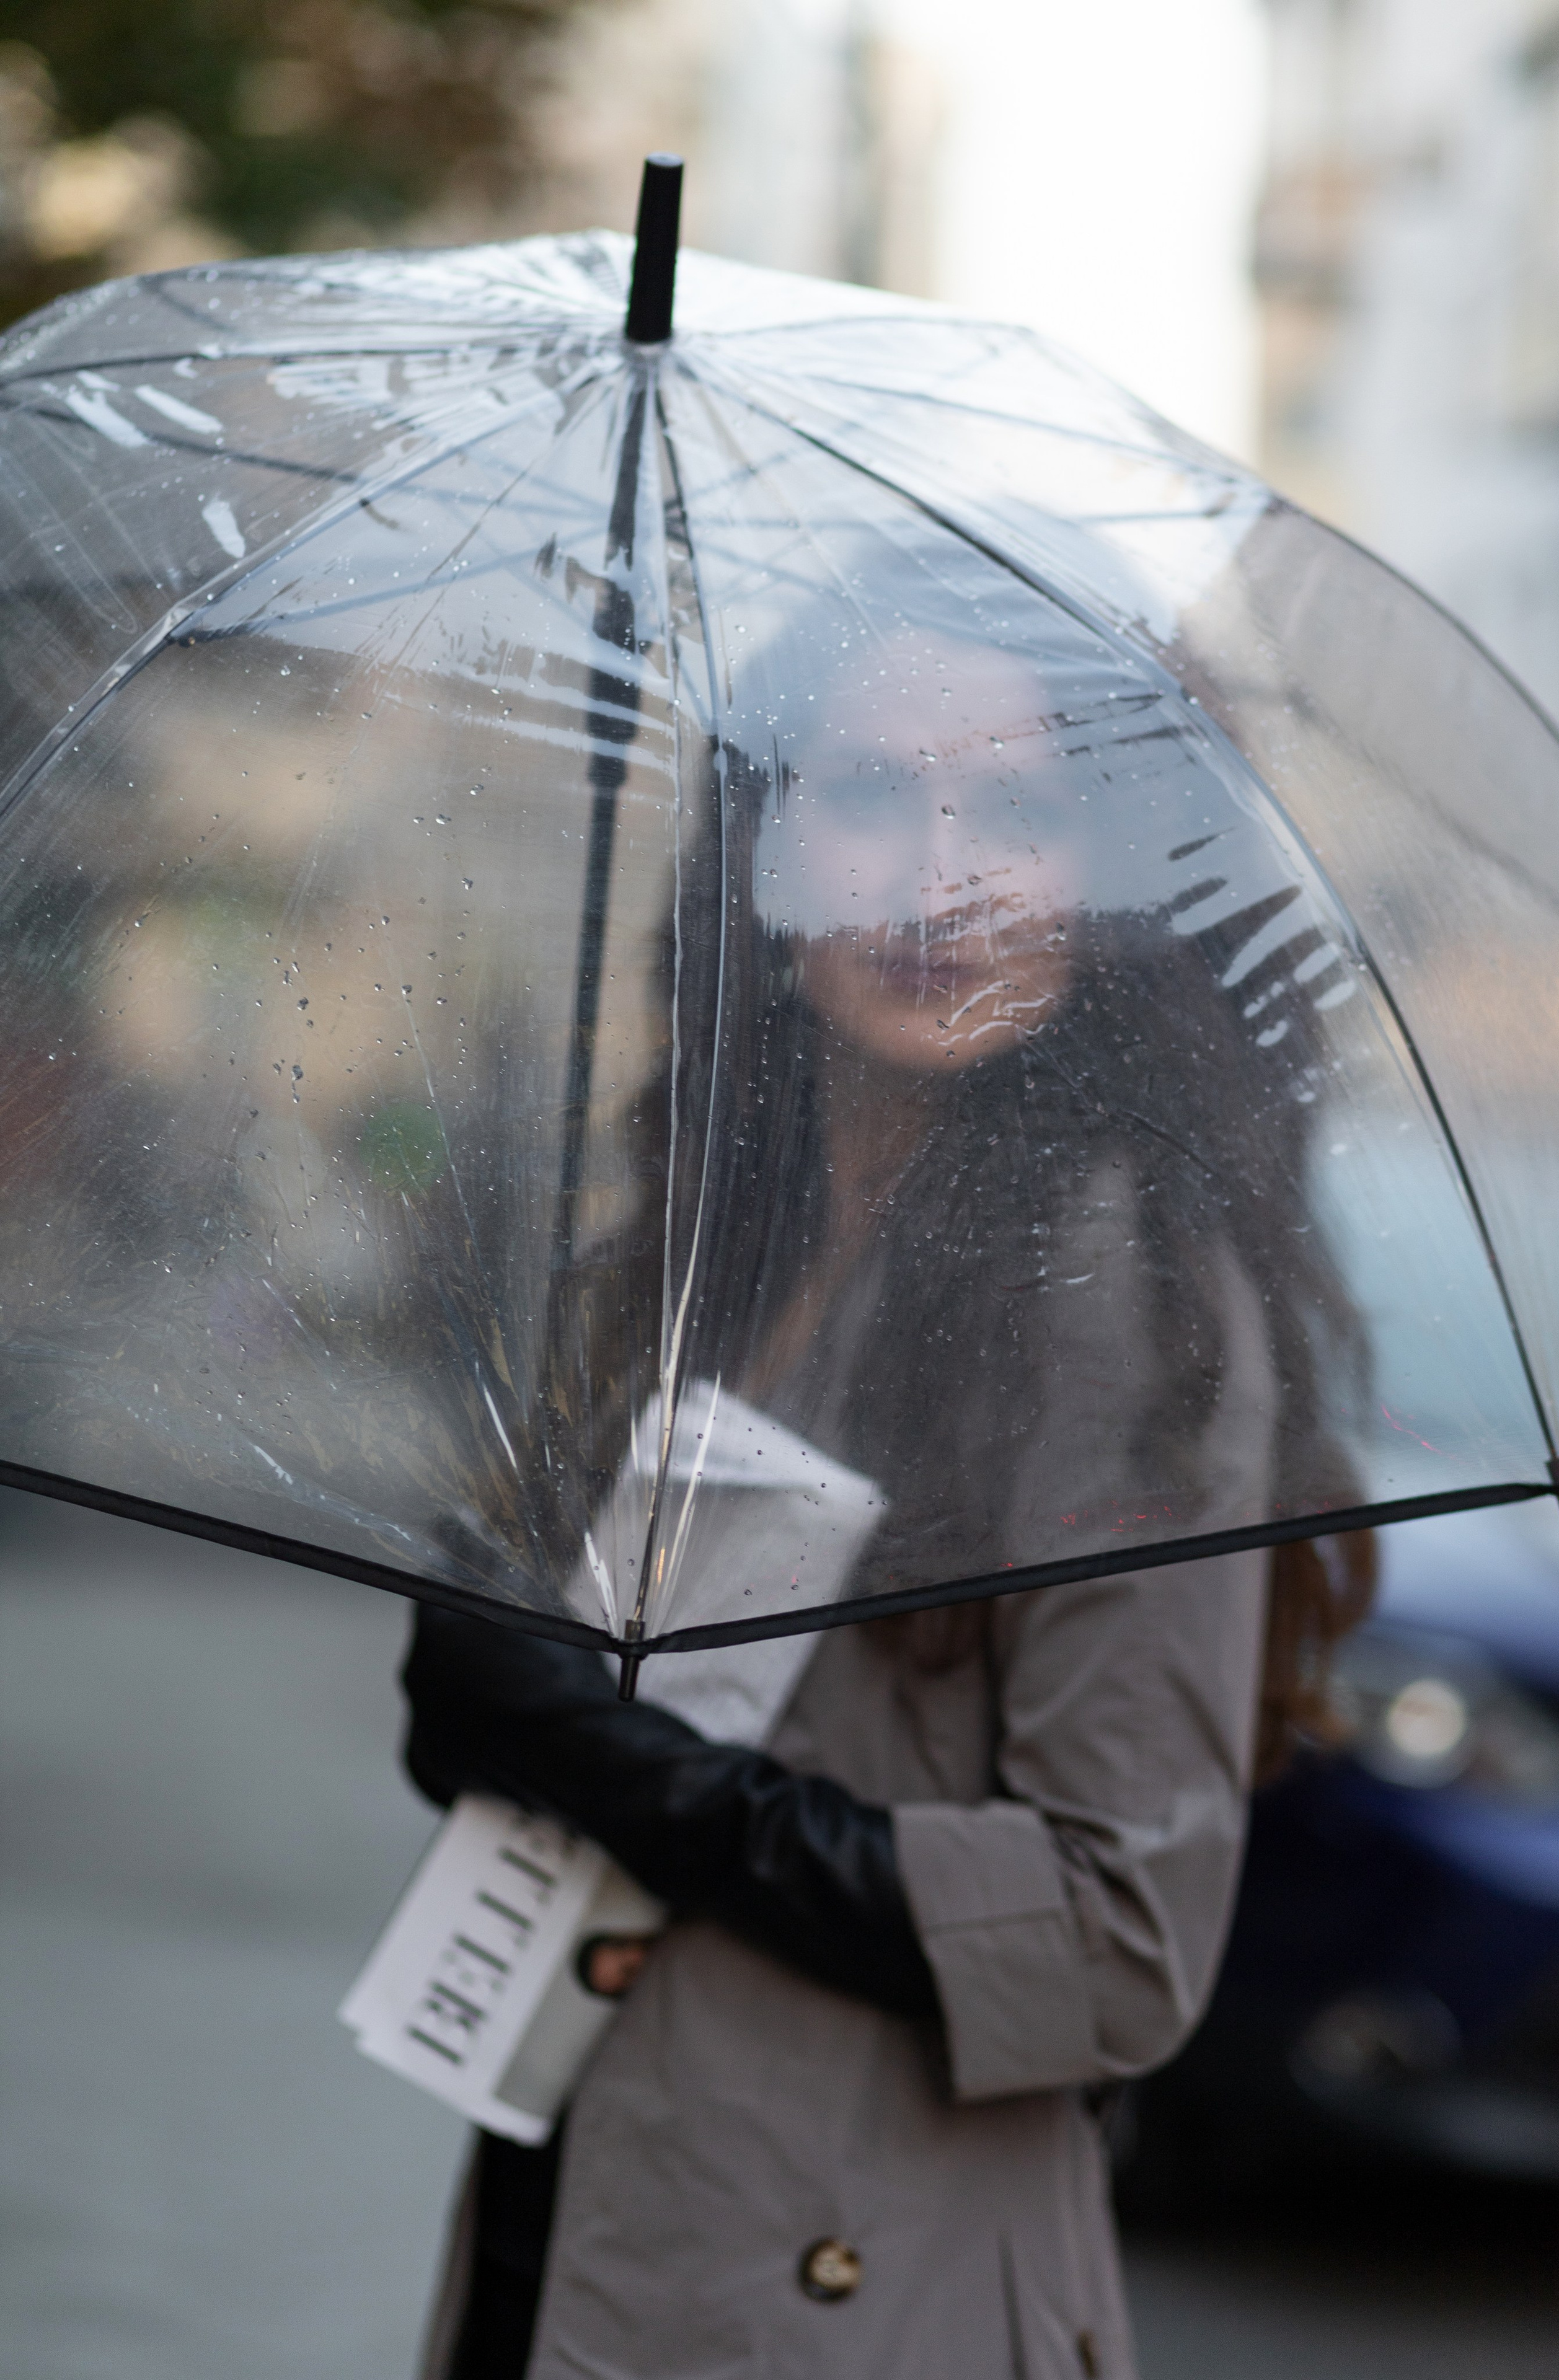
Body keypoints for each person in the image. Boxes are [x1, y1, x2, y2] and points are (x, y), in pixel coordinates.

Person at [400, 635, 1375, 2380]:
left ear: (1122, 863)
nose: (938, 876)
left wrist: (629, 1772)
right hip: (588, 2185)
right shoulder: (723, 1229)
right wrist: (507, 1683)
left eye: (1016, 806)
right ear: (764, 849)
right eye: (864, 794)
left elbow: (1118, 1944)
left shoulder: (1116, 1279)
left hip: (853, 2276)